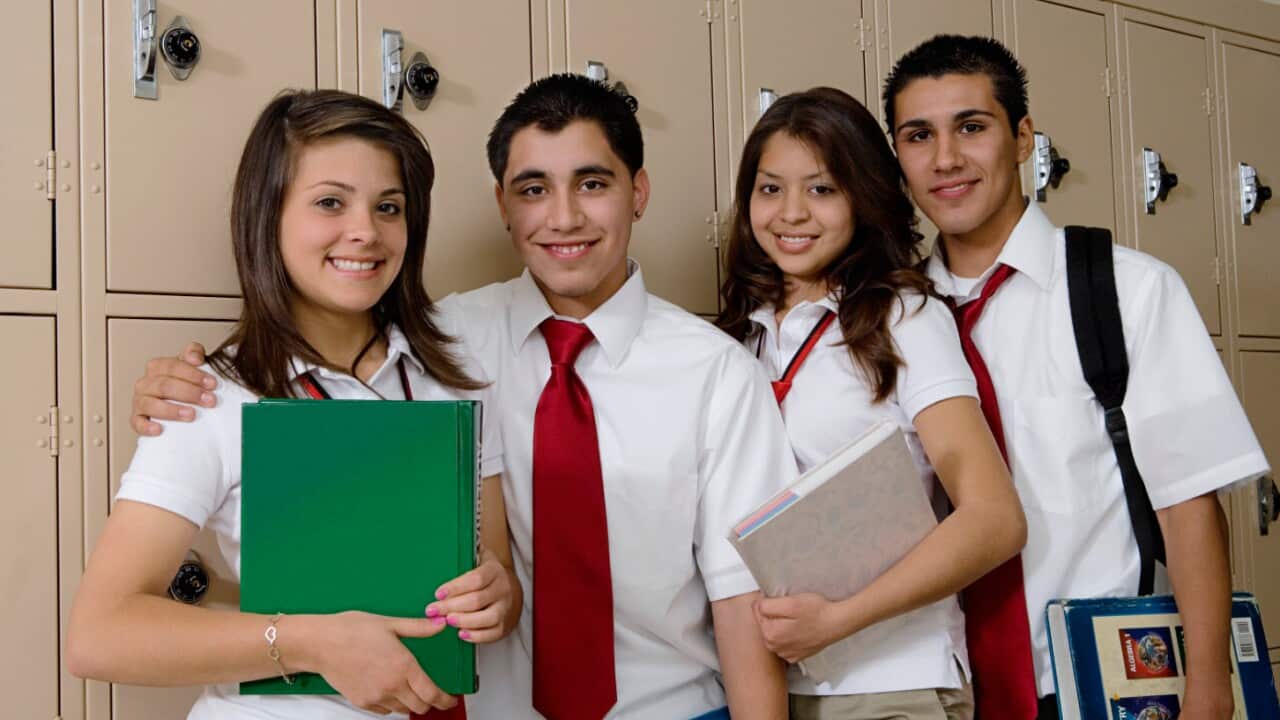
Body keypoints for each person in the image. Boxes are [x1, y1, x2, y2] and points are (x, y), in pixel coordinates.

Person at [126, 74, 797, 719]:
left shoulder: (716, 373)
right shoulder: (443, 344)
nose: (564, 217)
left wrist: (496, 594)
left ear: (637, 191)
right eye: (534, 188)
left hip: (671, 708)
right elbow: (311, 346)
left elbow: (742, 603)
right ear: (502, 203)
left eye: (592, 184)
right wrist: (183, 386)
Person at [66, 89, 519, 719]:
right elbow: (98, 636)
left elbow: (495, 574)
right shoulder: (209, 396)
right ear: (267, 215)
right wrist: (309, 642)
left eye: (389, 207)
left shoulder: (456, 382)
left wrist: (496, 596)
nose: (365, 230)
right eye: (330, 202)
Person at [883, 35, 1271, 720]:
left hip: (1093, 685)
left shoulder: (1126, 289)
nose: (945, 159)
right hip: (940, 693)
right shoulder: (889, 316)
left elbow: (1187, 507)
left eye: (972, 127)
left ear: (1024, 137)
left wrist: (1207, 689)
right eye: (919, 136)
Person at [715, 87, 1026, 720]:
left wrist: (836, 620)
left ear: (864, 196)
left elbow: (995, 519)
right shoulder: (734, 339)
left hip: (890, 686)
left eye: (823, 189)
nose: (791, 213)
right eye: (770, 189)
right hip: (758, 686)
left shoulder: (903, 318)